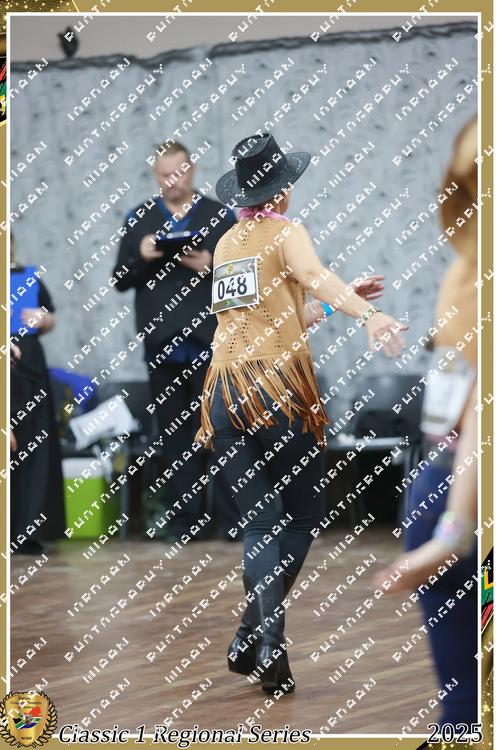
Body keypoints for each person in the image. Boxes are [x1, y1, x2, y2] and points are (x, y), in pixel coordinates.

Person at [194, 132, 407, 693]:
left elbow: (276, 313)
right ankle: (258, 637)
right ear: (281, 191)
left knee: (261, 522)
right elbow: (314, 276)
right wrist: (369, 315)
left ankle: (260, 642)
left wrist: (339, 300)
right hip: (275, 391)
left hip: (223, 393)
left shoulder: (228, 242)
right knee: (305, 512)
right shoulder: (287, 232)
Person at [374, 115, 479, 727]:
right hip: (449, 487)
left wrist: (451, 532)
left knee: (467, 712)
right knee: (466, 711)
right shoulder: (467, 273)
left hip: (455, 496)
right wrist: (450, 532)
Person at [112, 141, 238, 541]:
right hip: (161, 341)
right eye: (164, 174)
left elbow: (245, 277)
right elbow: (120, 280)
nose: (172, 181)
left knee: (222, 430)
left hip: (211, 340)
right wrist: (142, 255)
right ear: (155, 175)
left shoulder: (219, 214)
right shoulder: (139, 218)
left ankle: (234, 521)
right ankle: (186, 523)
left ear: (192, 169)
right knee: (174, 436)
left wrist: (212, 264)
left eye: (179, 172)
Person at [10, 231, 66, 554]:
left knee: (33, 443)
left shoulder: (28, 277)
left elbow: (50, 317)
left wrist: (43, 320)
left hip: (28, 363)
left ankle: (28, 530)